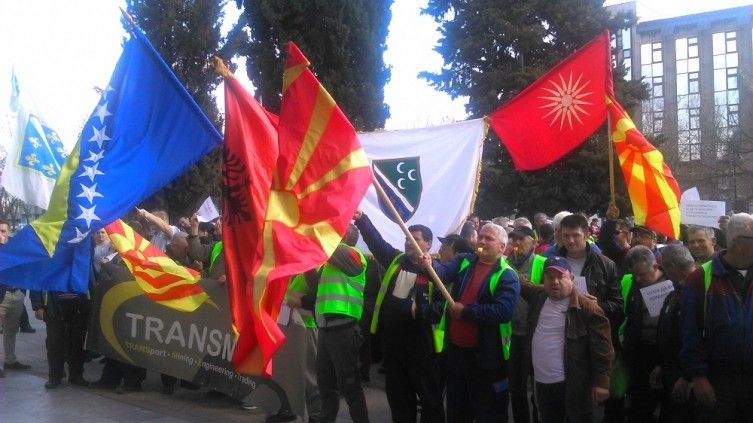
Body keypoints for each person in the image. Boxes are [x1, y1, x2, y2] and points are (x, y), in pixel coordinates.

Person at [354, 211, 444, 423]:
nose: (409, 242)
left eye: (415, 239)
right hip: (393, 344)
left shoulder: (437, 272)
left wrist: (420, 312)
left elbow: (443, 306)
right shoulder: (396, 260)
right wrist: (362, 219)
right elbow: (376, 242)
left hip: (421, 347)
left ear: (428, 244)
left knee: (430, 399)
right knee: (399, 398)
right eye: (407, 238)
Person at [434, 223, 520, 423]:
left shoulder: (507, 275)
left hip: (487, 359)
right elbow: (441, 273)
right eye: (480, 237)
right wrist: (429, 263)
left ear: (502, 247)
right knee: (457, 412)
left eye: (489, 239)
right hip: (457, 355)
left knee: (488, 414)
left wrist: (465, 312)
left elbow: (503, 311)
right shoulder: (464, 260)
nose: (482, 241)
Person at [291, 225, 369, 423]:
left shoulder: (354, 255)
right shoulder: (329, 264)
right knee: (326, 385)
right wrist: (309, 268)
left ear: (344, 236)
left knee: (349, 386)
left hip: (344, 330)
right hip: (326, 330)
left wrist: (316, 231)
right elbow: (318, 292)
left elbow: (327, 244)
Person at [521, 256, 613, 422]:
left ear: (571, 278)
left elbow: (602, 348)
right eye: (550, 277)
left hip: (573, 385)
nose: (555, 281)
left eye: (560, 276)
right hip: (542, 383)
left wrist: (602, 383)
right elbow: (520, 282)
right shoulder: (539, 296)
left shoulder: (588, 308)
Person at [681, 213, 753, 422]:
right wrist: (698, 376)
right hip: (718, 381)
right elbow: (690, 331)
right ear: (738, 243)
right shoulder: (700, 278)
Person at [621, 246, 668, 422]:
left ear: (655, 267)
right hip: (639, 351)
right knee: (641, 403)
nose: (638, 279)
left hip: (664, 352)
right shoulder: (633, 283)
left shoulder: (671, 283)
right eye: (635, 275)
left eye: (642, 274)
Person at [506, 225, 545, 423]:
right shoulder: (504, 263)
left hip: (535, 335)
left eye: (522, 239)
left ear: (534, 242)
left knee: (538, 388)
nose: (517, 242)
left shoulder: (542, 263)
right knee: (516, 388)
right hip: (511, 335)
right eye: (514, 239)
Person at [654, 245, 696, 423]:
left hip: (684, 374)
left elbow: (696, 338)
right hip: (671, 369)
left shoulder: (697, 291)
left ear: (671, 267)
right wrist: (660, 364)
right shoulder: (678, 290)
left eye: (664, 268)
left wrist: (687, 377)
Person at [31, 284, 91, 388]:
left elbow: (91, 281)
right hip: (53, 306)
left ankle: (76, 375)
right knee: (54, 343)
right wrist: (38, 306)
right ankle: (54, 376)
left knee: (78, 342)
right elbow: (38, 280)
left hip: (79, 306)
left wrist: (91, 305)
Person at [0, 219, 32, 378]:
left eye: (3, 231)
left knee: (11, 330)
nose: (0, 235)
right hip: (2, 296)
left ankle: (10, 360)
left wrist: (22, 291)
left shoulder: (16, 249)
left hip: (16, 294)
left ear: (9, 232)